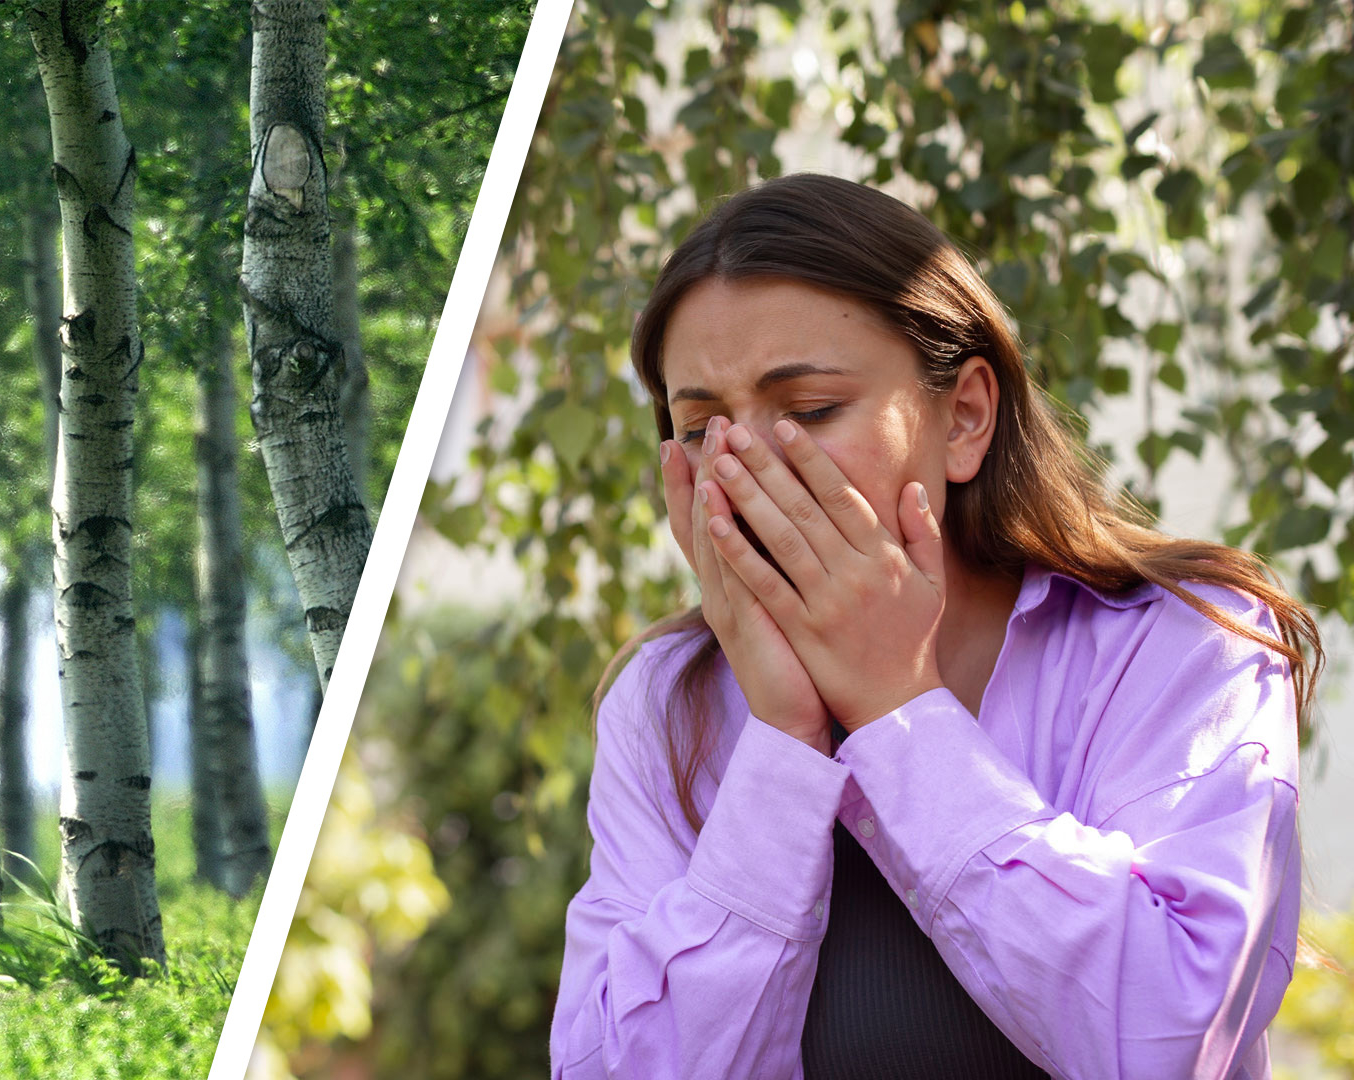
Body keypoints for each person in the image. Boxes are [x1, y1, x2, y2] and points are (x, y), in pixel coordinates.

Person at [549, 173, 1320, 1080]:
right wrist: (784, 745)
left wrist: (897, 709)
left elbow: (1173, 1036)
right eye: (699, 427)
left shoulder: (1187, 643)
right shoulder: (665, 703)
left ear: (964, 417)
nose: (745, 463)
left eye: (809, 411)